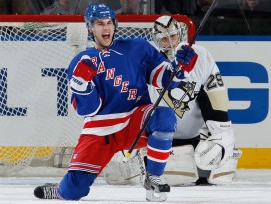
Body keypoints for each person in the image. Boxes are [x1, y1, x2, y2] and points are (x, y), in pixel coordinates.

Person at [33, 3, 198, 202]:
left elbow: (165, 80)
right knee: (74, 191)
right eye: (100, 23)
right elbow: (89, 109)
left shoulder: (138, 48)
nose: (106, 28)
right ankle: (60, 190)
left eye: (109, 22)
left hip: (134, 120)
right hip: (100, 129)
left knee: (164, 115)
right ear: (90, 28)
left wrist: (179, 68)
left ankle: (153, 176)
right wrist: (82, 85)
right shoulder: (83, 60)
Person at [103, 15, 241, 187]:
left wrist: (222, 133)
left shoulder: (200, 56)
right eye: (163, 39)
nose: (170, 41)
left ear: (180, 34)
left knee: (211, 165)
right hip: (156, 136)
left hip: (194, 135)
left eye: (173, 36)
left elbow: (216, 98)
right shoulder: (147, 60)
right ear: (156, 40)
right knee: (124, 174)